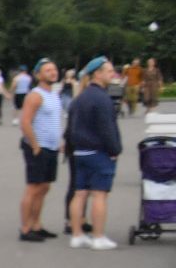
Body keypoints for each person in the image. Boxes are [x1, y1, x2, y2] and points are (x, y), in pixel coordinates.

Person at [66, 57, 124, 250]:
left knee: (80, 193)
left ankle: (77, 235)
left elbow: (71, 128)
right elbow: (107, 129)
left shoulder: (80, 98)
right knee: (99, 194)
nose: (112, 74)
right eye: (108, 71)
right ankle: (98, 237)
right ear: (97, 73)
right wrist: (115, 150)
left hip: (80, 152)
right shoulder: (102, 99)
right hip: (99, 153)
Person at [17, 58, 64, 242]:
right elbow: (25, 122)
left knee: (44, 187)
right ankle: (26, 228)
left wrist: (58, 141)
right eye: (47, 70)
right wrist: (35, 145)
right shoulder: (35, 95)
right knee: (33, 188)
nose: (53, 72)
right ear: (38, 75)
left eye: (54, 69)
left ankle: (37, 224)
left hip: (51, 147)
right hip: (37, 147)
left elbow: (52, 121)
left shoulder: (53, 94)